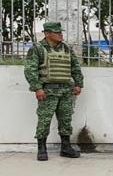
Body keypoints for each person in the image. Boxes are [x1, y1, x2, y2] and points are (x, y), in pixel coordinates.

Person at [23, 21, 83, 161]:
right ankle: (42, 149)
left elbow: (75, 67)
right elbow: (30, 70)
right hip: (47, 91)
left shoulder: (67, 48)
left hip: (66, 91)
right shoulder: (37, 48)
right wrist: (37, 88)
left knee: (66, 120)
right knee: (44, 120)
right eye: (57, 32)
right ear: (47, 34)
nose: (61, 34)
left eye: (61, 32)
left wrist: (79, 84)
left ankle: (66, 147)